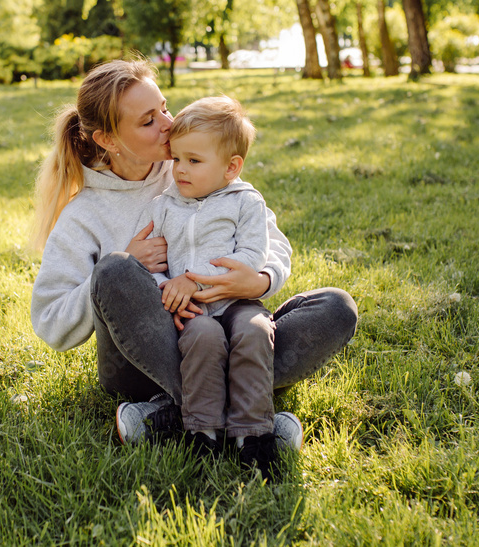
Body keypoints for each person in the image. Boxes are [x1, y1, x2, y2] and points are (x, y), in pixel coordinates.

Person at [29, 60, 357, 471]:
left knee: (336, 307)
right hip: (145, 364)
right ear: (108, 139)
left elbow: (269, 241)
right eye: (149, 120)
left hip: (230, 329)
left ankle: (173, 418)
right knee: (114, 270)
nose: (168, 124)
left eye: (165, 108)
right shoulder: (85, 214)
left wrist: (255, 282)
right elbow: (50, 320)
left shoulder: (191, 160)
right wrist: (126, 262)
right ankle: (251, 421)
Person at [134, 95, 295, 475]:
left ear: (231, 167)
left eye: (194, 161)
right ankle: (202, 431)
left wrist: (194, 279)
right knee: (203, 339)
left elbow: (254, 253)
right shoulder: (164, 205)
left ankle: (252, 435)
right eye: (176, 159)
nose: (180, 170)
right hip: (192, 312)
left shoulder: (245, 201)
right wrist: (168, 287)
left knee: (255, 332)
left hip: (236, 302)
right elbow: (154, 262)